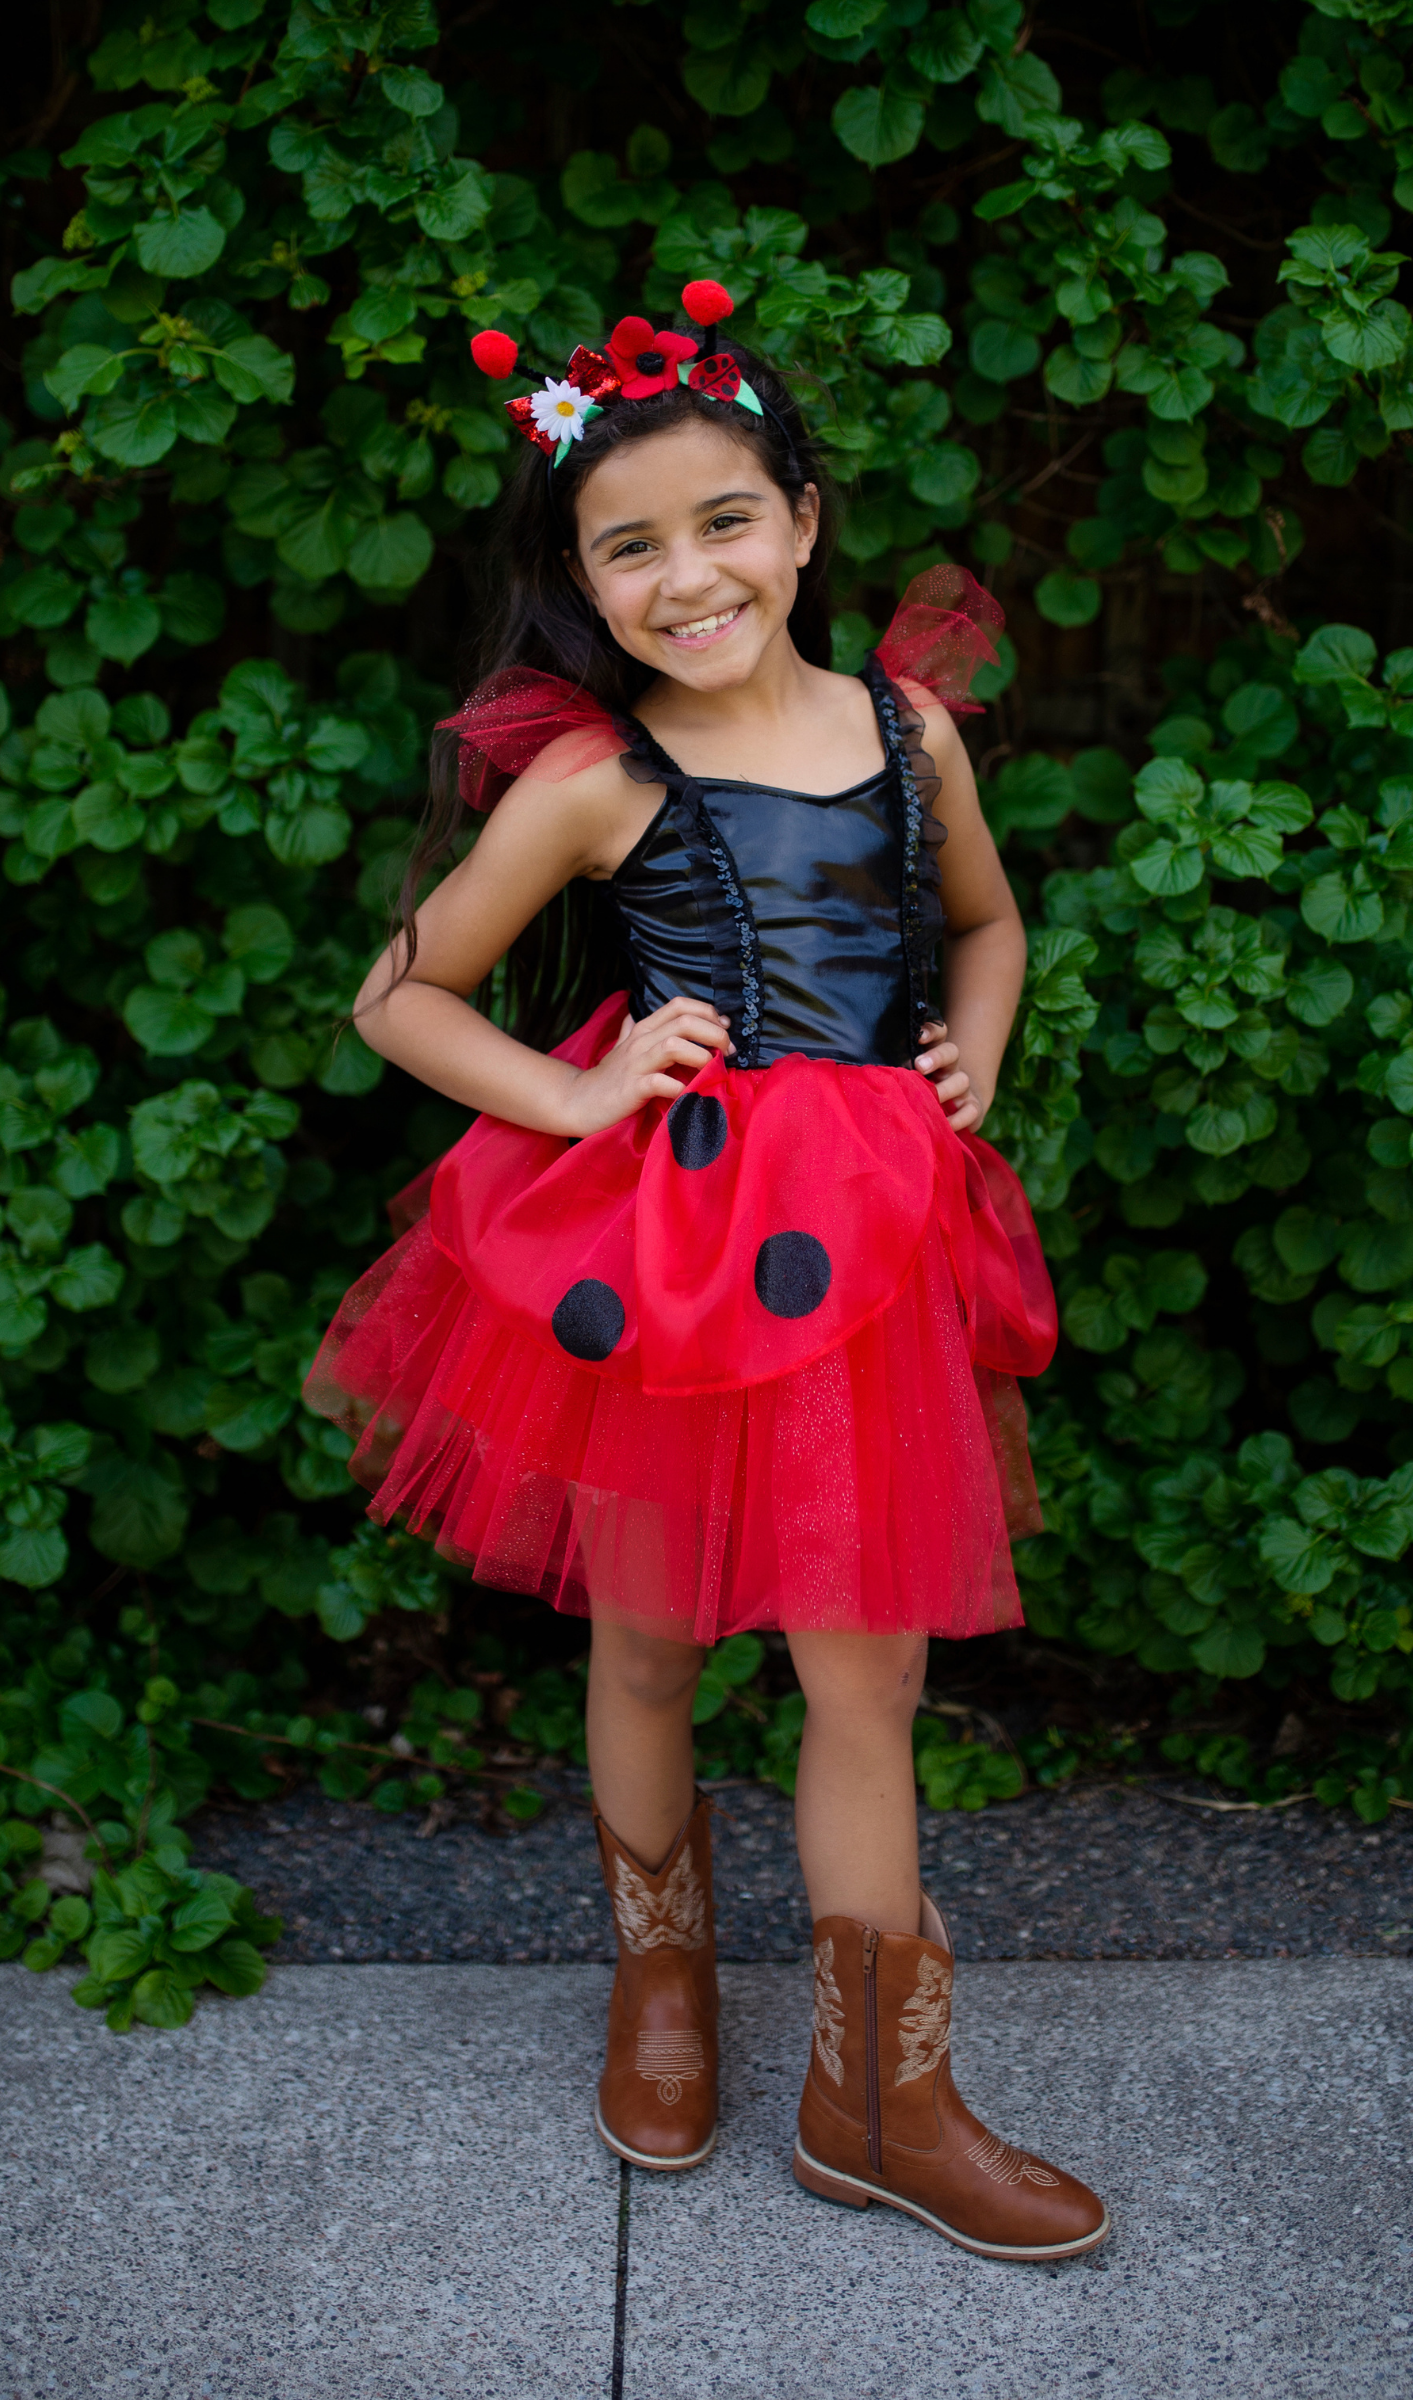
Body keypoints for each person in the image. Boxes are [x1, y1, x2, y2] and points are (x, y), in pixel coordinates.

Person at [304, 282, 1108, 2261]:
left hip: (868, 1262)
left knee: (868, 1671)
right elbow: (401, 997)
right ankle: (660, 1977)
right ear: (582, 577)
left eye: (723, 522)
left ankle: (878, 2095)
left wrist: (977, 1042)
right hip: (667, 1257)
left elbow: (984, 925)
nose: (686, 574)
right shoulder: (597, 780)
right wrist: (570, 1112)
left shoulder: (906, 733)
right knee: (648, 1636)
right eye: (629, 545)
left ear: (804, 523)